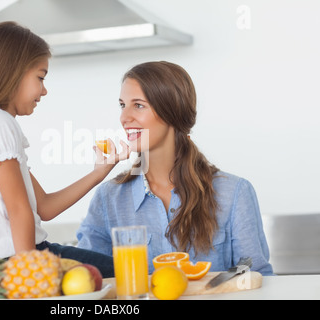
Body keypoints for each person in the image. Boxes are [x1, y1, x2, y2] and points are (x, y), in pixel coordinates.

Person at [0, 21, 129, 283]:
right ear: (11, 72)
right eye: (40, 77)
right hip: (20, 261)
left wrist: (99, 172)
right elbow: (19, 211)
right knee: (136, 273)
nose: (44, 90)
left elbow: (43, 207)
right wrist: (30, 275)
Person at [76, 61, 274, 276]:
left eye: (139, 105)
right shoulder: (108, 198)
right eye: (122, 105)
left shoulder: (234, 193)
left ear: (171, 111)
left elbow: (256, 278)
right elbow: (88, 279)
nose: (125, 118)